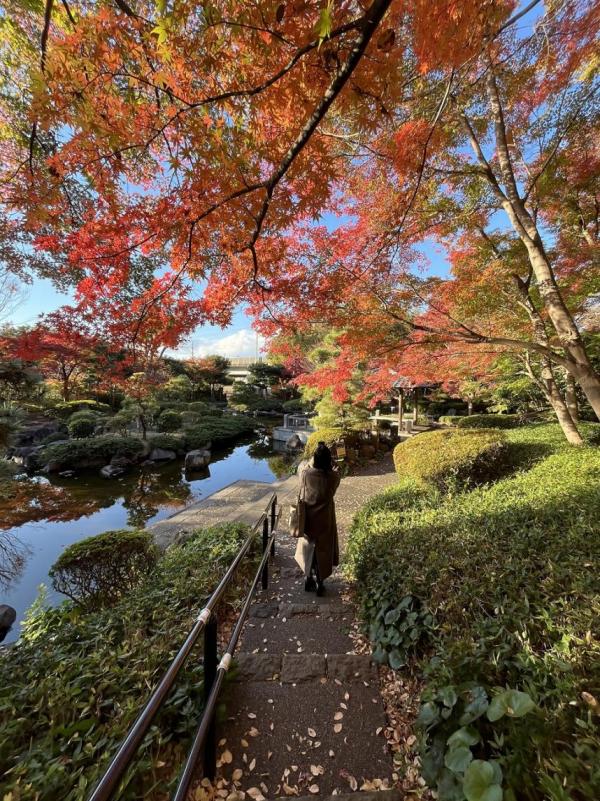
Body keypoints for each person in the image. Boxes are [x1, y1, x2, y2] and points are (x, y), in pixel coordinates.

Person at [295, 441, 341, 596]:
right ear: (328, 460)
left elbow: (304, 466)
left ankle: (308, 578)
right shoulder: (333, 477)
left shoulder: (305, 474)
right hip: (325, 519)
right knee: (322, 550)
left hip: (308, 518)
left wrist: (314, 456)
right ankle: (320, 582)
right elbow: (335, 470)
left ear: (315, 458)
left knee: (308, 547)